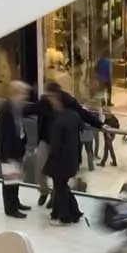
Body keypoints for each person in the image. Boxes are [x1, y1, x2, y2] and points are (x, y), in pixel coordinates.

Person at [42, 90, 85, 226]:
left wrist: (49, 163)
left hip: (60, 161)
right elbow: (82, 129)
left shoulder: (58, 121)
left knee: (60, 187)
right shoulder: (75, 116)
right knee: (62, 186)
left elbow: (55, 145)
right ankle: (72, 212)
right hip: (72, 159)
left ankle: (64, 217)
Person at [0, 81, 31, 219]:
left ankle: (15, 202)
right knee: (9, 181)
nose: (26, 96)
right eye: (24, 93)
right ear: (16, 93)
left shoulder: (17, 107)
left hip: (17, 149)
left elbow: (20, 128)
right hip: (8, 151)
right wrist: (9, 155)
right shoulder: (6, 109)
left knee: (15, 179)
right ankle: (10, 209)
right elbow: (7, 134)